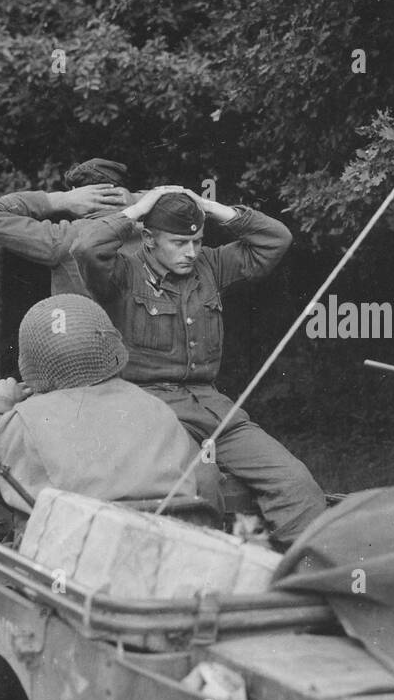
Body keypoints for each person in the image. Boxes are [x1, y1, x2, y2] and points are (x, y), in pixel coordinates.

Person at [71, 185, 326, 546]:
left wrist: (205, 205)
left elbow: (276, 239)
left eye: (197, 241)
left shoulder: (210, 265)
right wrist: (141, 207)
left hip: (211, 407)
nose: (191, 252)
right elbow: (85, 246)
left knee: (295, 482)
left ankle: (305, 585)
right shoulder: (122, 274)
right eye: (178, 242)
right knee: (201, 485)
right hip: (150, 410)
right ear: (148, 238)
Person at [0, 294, 202, 511]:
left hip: (73, 559)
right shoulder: (158, 408)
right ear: (110, 348)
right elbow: (203, 483)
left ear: (33, 364)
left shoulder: (28, 419)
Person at [0, 158, 135, 294]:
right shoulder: (154, 231)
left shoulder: (66, 238)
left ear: (78, 194)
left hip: (82, 330)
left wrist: (62, 200)